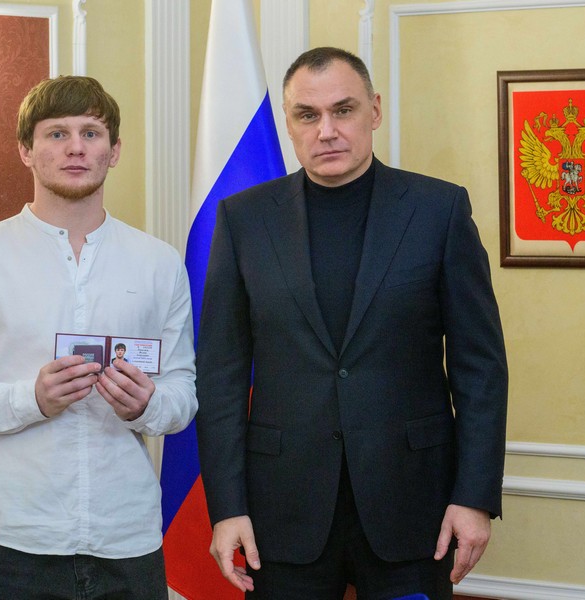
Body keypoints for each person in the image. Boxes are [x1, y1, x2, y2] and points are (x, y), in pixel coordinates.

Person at [195, 47, 508, 600]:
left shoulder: (438, 210)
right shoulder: (243, 218)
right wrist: (227, 507)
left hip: (414, 505)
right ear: (288, 122)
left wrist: (474, 496)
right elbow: (220, 375)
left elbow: (479, 368)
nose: (327, 131)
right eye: (308, 115)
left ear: (375, 110)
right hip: (280, 510)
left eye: (344, 110)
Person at [0, 75, 197, 599]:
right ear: (26, 150)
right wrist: (32, 400)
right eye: (57, 133)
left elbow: (182, 393)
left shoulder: (160, 263)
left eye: (91, 133)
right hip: (11, 542)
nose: (75, 148)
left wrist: (148, 405)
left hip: (127, 539)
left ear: (114, 151)